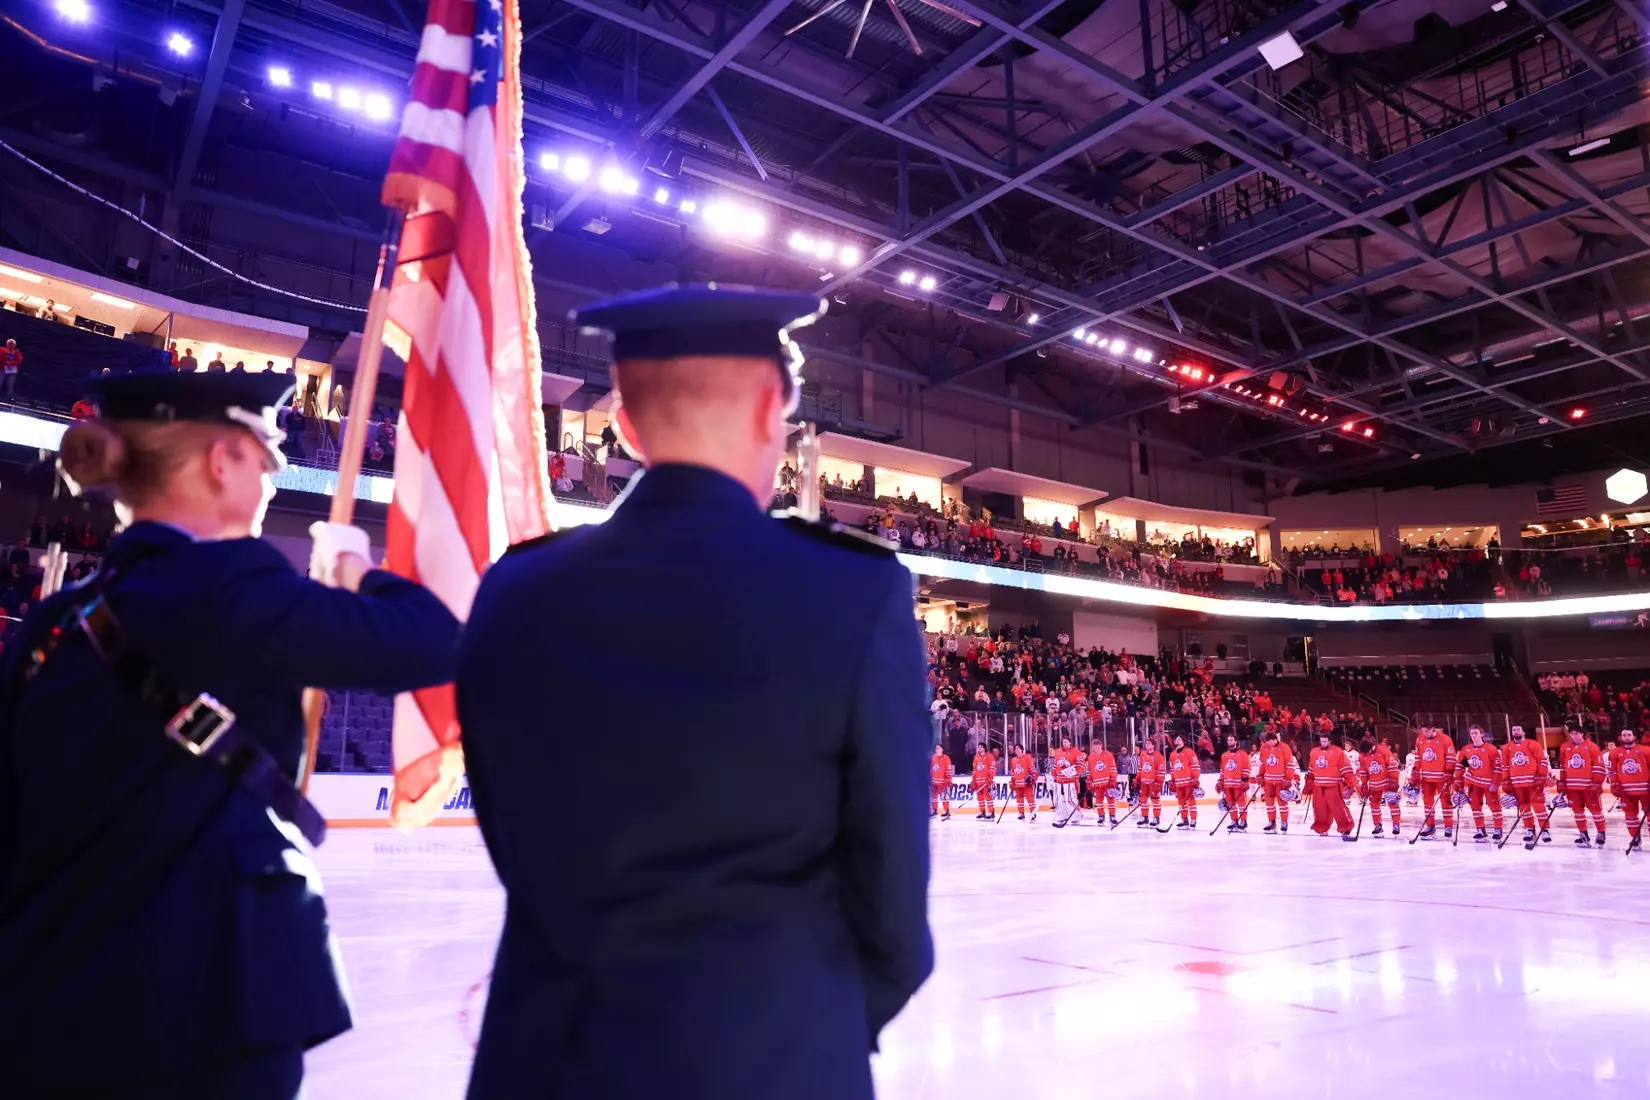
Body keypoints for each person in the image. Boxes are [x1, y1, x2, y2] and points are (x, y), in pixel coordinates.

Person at [455, 286, 932, 1100]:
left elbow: (506, 830)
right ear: (771, 409)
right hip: (777, 1058)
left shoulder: (516, 590)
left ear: (626, 427)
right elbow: (892, 896)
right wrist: (810, 1020)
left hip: (554, 1061)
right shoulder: (855, 594)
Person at [0, 370, 459, 1098]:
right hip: (204, 1009)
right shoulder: (230, 586)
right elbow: (436, 643)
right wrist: (353, 570)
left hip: (47, 1000)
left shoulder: (53, 624)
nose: (272, 479)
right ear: (222, 460)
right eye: (265, 458)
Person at [1502, 725, 1552, 846]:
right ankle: (1529, 829)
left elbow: (1542, 761)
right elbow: (1505, 765)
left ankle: (1545, 830)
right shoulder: (1507, 747)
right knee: (1524, 808)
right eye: (1514, 730)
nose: (1516, 731)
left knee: (1539, 806)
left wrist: (1541, 776)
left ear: (1523, 732)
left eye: (1518, 729)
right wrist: (1505, 780)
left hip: (1533, 782)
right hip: (1517, 783)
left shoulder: (1534, 744)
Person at [1557, 727, 1607, 848]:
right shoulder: (1565, 747)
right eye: (1572, 733)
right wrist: (1562, 782)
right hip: (1572, 787)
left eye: (1577, 733)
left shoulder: (1592, 747)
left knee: (1596, 810)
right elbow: (1563, 766)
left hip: (1589, 786)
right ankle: (1583, 834)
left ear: (1582, 734)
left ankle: (1601, 833)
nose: (1574, 736)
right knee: (1577, 812)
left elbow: (1599, 766)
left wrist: (1597, 783)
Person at [1453, 728, 1504, 843]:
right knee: (1475, 806)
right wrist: (1458, 781)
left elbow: (1498, 768)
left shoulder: (1491, 749)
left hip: (1488, 783)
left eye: (1476, 733)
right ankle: (1480, 829)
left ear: (1482, 734)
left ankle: (1498, 829)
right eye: (1471, 733)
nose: (1473, 735)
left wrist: (1495, 783)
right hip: (1473, 782)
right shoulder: (1466, 749)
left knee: (1494, 805)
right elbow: (1460, 766)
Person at [1304, 731, 1358, 840]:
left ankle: (1346, 827)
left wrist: (1350, 784)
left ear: (1330, 741)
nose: (1323, 743)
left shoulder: (1338, 751)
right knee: (1320, 809)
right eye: (1321, 741)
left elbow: (1346, 770)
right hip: (1318, 786)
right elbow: (1311, 770)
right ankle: (1322, 827)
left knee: (1338, 808)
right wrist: (1309, 784)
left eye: (1325, 741)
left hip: (1333, 786)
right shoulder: (1314, 752)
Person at [1409, 725, 1457, 839]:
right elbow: (1418, 757)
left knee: (1446, 802)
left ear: (1433, 728)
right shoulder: (1420, 739)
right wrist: (1416, 770)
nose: (1425, 733)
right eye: (1423, 731)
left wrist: (1449, 771)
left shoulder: (1445, 739)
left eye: (1427, 731)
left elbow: (1451, 757)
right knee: (1427, 803)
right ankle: (1430, 826)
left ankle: (1448, 826)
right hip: (1426, 778)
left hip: (1441, 777)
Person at [1256, 728, 1298, 833]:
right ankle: (1272, 822)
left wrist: (1288, 779)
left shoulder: (1285, 747)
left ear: (1275, 739)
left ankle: (1284, 822)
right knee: (1269, 802)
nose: (1269, 744)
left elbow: (1289, 764)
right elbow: (1262, 763)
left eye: (1270, 742)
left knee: (1282, 801)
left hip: (1281, 780)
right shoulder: (1264, 747)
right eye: (1267, 742)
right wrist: (1260, 775)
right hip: (1268, 780)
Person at [1611, 730, 1647, 853]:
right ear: (1620, 737)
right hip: (1626, 791)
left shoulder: (1645, 750)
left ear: (1634, 736)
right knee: (1630, 817)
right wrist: (1615, 784)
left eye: (1629, 735)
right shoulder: (1615, 753)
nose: (1626, 737)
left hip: (1645, 790)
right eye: (1624, 735)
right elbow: (1612, 770)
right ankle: (1635, 839)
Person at [1358, 737, 1401, 838]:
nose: (1367, 753)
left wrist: (1394, 780)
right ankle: (1377, 825)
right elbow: (1363, 771)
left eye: (1368, 751)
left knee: (1392, 802)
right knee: (1374, 804)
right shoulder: (1363, 755)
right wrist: (1364, 784)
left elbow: (1392, 766)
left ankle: (1396, 824)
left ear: (1373, 746)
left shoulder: (1383, 750)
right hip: (1374, 783)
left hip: (1387, 781)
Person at [1167, 733, 1200, 828]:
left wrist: (1195, 778)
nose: (1177, 741)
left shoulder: (1189, 752)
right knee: (1181, 802)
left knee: (1191, 800)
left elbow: (1195, 766)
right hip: (1178, 782)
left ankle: (1193, 819)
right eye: (1176, 739)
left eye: (1179, 739)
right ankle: (1184, 819)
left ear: (1183, 741)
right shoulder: (1172, 754)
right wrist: (1173, 780)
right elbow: (1172, 769)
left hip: (1188, 781)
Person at [1218, 735, 1251, 832]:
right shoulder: (1224, 755)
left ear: (1236, 741)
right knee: (1230, 803)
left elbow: (1247, 767)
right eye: (1228, 740)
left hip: (1238, 783)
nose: (1229, 741)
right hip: (1228, 783)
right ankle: (1234, 820)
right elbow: (1223, 769)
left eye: (1231, 740)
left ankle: (1243, 820)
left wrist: (1245, 779)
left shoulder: (1242, 754)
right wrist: (1220, 781)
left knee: (1241, 803)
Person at [1049, 737, 1082, 827]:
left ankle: (1076, 817)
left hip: (1070, 781)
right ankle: (1062, 817)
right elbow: (1055, 765)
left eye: (1066, 742)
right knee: (1060, 800)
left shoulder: (1075, 751)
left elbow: (1081, 764)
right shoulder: (1058, 752)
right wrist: (1053, 774)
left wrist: (1076, 772)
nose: (1064, 743)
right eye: (1063, 742)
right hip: (1059, 781)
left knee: (1070, 800)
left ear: (1070, 743)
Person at [1135, 736, 1166, 828]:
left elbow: (1161, 770)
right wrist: (1136, 778)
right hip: (1144, 782)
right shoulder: (1143, 754)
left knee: (1155, 800)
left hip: (1153, 782)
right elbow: (1140, 768)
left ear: (1153, 745)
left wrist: (1159, 782)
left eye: (1149, 743)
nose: (1147, 745)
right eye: (1146, 743)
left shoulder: (1158, 756)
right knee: (1143, 800)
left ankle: (1156, 818)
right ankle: (1145, 818)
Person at [1087, 739, 1119, 826]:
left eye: (1096, 747)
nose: (1095, 749)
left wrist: (1113, 779)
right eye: (1093, 747)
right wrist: (1089, 780)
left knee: (1111, 800)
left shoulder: (1108, 755)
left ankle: (1112, 816)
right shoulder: (1091, 757)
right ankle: (1101, 816)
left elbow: (1113, 767)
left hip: (1108, 782)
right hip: (1097, 783)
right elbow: (1089, 770)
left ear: (1101, 746)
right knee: (1098, 801)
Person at [1009, 742, 1038, 821]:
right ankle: (1021, 813)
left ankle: (1033, 814)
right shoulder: (1013, 760)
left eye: (1018, 748)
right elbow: (1013, 772)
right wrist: (1012, 782)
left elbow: (1033, 770)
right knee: (1019, 799)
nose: (1016, 750)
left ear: (1022, 750)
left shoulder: (1027, 757)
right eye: (1015, 749)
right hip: (1018, 783)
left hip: (1026, 783)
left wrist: (1032, 778)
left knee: (1030, 798)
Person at [969, 741, 997, 820]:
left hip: (986, 781)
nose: (979, 748)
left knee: (988, 796)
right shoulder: (976, 757)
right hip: (978, 781)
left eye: (981, 747)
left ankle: (991, 812)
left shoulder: (989, 756)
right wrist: (973, 781)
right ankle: (982, 811)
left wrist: (990, 778)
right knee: (980, 797)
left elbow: (992, 768)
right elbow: (975, 770)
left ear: (984, 748)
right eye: (978, 747)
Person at [930, 742, 955, 820]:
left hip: (943, 782)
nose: (937, 749)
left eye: (938, 748)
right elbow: (930, 769)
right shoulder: (933, 757)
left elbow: (948, 769)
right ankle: (934, 810)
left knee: (944, 797)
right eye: (936, 748)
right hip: (934, 782)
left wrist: (948, 779)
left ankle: (946, 811)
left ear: (942, 749)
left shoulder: (946, 758)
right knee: (934, 797)